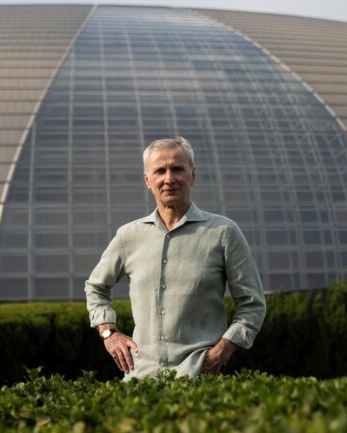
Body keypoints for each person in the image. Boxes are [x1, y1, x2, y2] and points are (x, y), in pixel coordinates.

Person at [85, 136, 266, 379]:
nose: (169, 179)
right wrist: (109, 334)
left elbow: (252, 304)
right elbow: (95, 287)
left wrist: (223, 350)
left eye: (177, 169)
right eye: (159, 171)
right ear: (147, 180)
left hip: (200, 379)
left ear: (193, 175)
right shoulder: (129, 236)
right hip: (141, 382)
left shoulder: (223, 233)